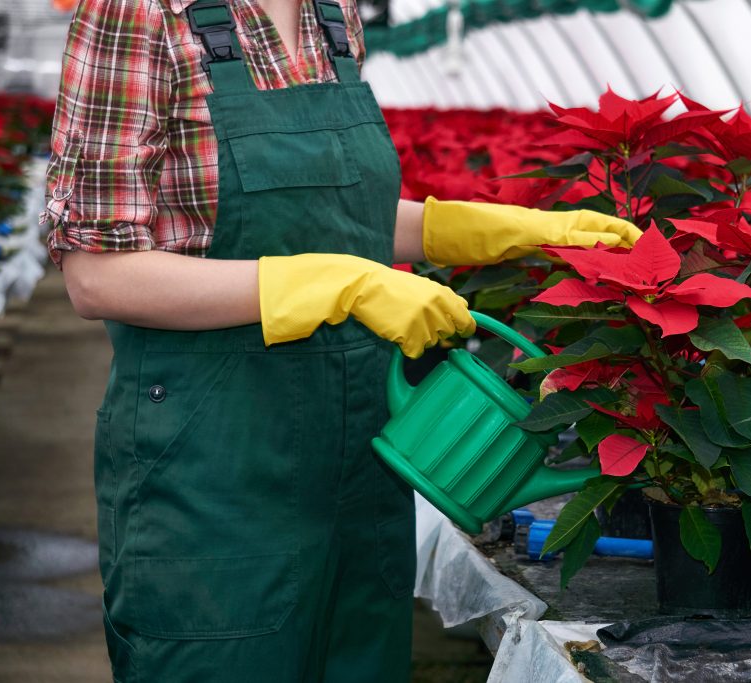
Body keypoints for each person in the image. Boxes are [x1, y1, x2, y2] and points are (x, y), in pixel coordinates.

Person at [42, 0, 641, 680]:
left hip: (359, 473)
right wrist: (337, 284)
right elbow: (97, 275)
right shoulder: (142, 12)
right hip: (213, 475)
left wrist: (494, 230)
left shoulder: (335, 15)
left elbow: (335, 215)